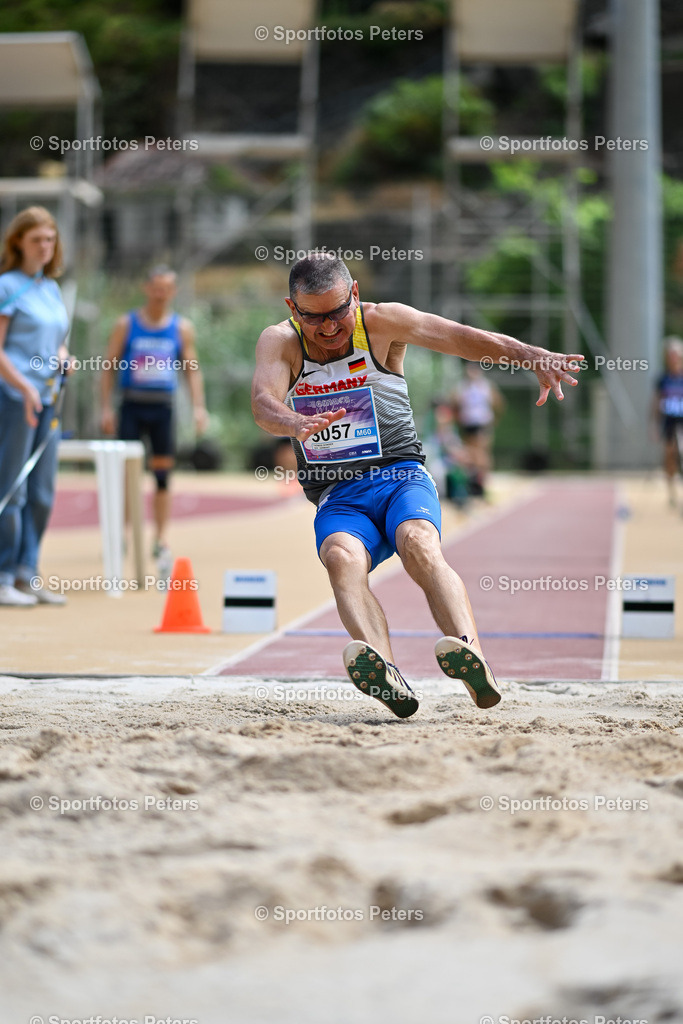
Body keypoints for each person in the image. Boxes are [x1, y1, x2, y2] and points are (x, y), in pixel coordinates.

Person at [251, 253, 582, 719]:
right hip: (338, 495)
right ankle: (384, 671)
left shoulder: (383, 323)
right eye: (312, 317)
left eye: (337, 313)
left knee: (418, 543)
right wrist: (295, 421)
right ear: (292, 307)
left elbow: (462, 339)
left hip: (400, 476)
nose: (327, 328)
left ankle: (472, 655)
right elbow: (263, 403)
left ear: (356, 295)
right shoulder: (280, 342)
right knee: (341, 560)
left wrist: (528, 355)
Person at [100, 266, 208, 572]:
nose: (161, 294)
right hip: (132, 406)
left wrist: (199, 408)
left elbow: (192, 369)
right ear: (147, 288)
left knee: (162, 475)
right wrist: (105, 408)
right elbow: (108, 367)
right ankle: (120, 536)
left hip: (163, 409)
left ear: (173, 292)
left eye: (167, 289)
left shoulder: (181, 327)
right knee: (126, 475)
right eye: (156, 288)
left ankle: (160, 537)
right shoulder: (127, 324)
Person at [0, 206, 72, 607]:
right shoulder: (7, 285)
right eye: (36, 240)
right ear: (19, 243)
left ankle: (28, 572)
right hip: (14, 398)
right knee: (13, 487)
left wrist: (64, 355)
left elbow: (55, 339)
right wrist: (24, 389)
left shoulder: (51, 287)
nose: (45, 247)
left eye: (50, 239)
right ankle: (4, 574)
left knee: (42, 491)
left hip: (49, 397)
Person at [452, 362, 504, 497]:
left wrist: (493, 419)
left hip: (481, 422)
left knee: (481, 452)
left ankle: (484, 482)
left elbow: (499, 403)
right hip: (468, 422)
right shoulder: (462, 386)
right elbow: (455, 403)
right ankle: (474, 482)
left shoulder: (485, 386)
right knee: (471, 453)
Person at [652, 337, 683, 511]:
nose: (673, 358)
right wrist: (654, 426)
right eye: (670, 355)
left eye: (676, 354)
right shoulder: (663, 378)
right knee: (669, 455)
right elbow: (656, 403)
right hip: (669, 421)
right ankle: (672, 492)